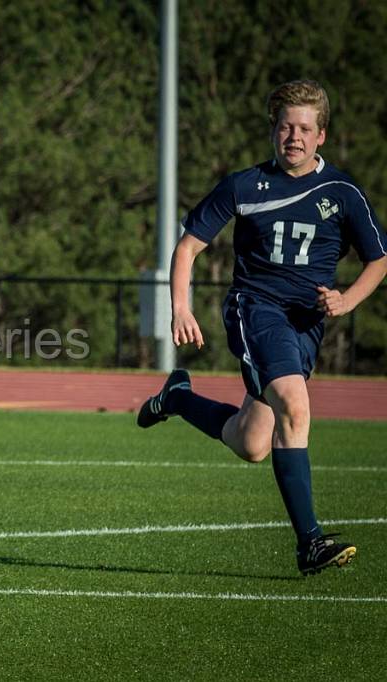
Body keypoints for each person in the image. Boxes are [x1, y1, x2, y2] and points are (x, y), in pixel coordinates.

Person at [137, 79, 387, 575]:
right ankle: (309, 541)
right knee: (295, 407)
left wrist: (346, 300)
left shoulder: (342, 192)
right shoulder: (245, 185)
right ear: (273, 131)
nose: (294, 136)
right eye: (285, 126)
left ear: (322, 137)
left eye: (305, 128)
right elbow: (188, 247)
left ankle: (178, 398)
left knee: (253, 443)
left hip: (306, 325)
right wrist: (180, 309)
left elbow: (378, 260)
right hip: (257, 309)